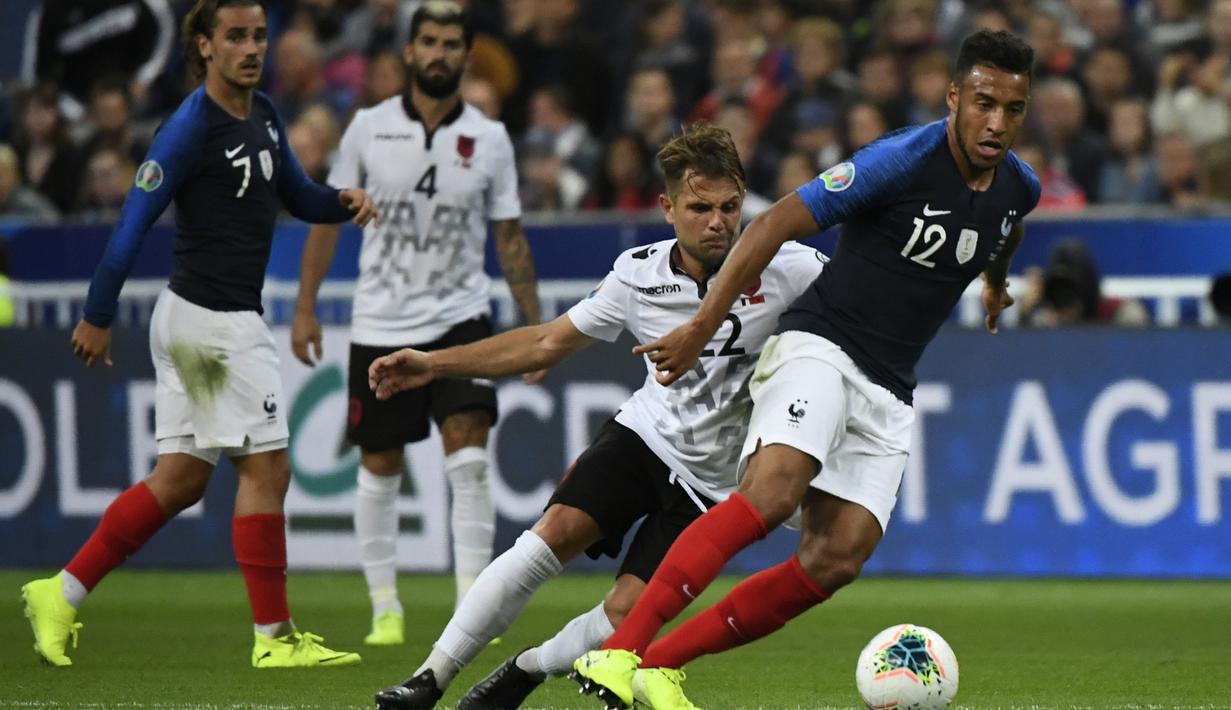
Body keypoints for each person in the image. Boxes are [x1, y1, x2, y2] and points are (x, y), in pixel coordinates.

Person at [572, 29, 1041, 710]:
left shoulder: (1017, 186)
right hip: (820, 344)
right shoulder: (899, 161)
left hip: (889, 384)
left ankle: (660, 665)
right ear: (952, 97)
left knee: (837, 556)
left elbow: (1007, 223)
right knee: (772, 492)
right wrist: (701, 326)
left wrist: (994, 283)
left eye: (1012, 108)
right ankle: (617, 653)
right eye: (982, 102)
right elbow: (768, 228)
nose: (996, 121)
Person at [367, 123, 826, 710]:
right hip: (646, 438)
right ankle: (428, 678)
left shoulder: (791, 267)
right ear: (666, 208)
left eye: (730, 207)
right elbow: (544, 344)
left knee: (626, 613)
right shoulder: (639, 275)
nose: (718, 222)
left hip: (718, 484)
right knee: (549, 536)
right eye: (699, 207)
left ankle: (526, 668)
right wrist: (434, 364)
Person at [20, 0, 378, 669]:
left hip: (203, 320)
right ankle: (274, 640)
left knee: (181, 480)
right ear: (203, 47)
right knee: (267, 468)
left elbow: (296, 195)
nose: (251, 48)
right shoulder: (187, 128)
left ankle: (60, 593)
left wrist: (341, 201)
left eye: (259, 35)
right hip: (212, 321)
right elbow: (132, 222)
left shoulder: (266, 114)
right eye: (235, 37)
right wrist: (98, 313)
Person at [290, 0, 543, 648]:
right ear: (408, 52)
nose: (438, 53)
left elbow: (509, 237)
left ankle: (470, 608)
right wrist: (305, 305)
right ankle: (385, 607)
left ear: (465, 54)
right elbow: (327, 215)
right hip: (380, 318)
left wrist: (536, 329)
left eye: (450, 43)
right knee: (379, 464)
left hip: (462, 317)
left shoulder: (489, 138)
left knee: (469, 457)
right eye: (427, 41)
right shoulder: (368, 128)